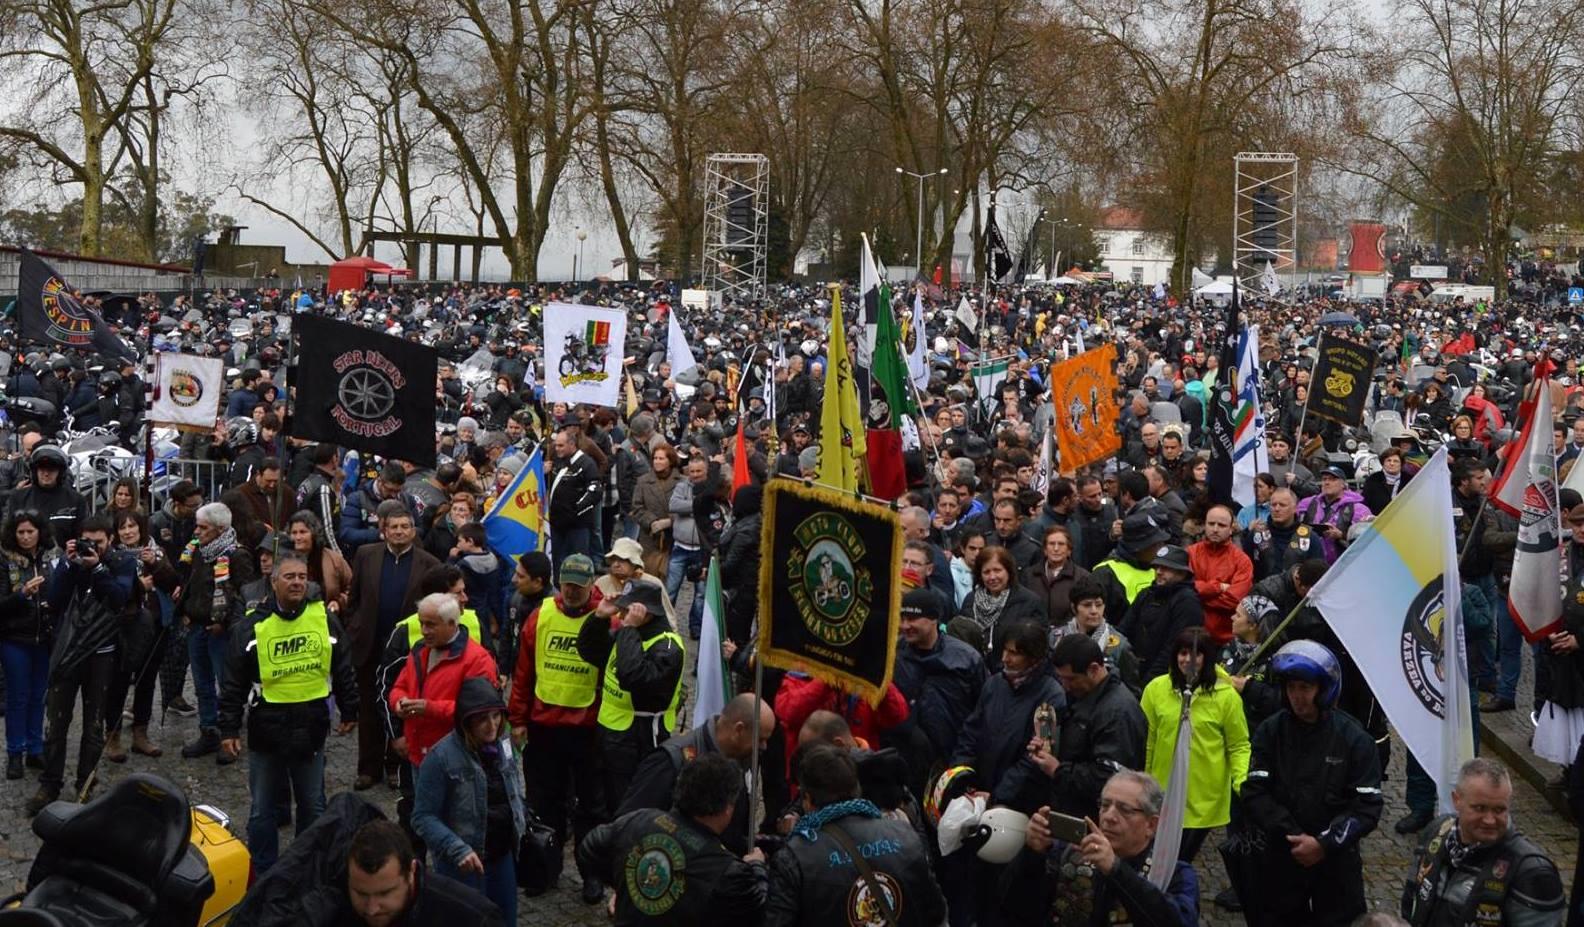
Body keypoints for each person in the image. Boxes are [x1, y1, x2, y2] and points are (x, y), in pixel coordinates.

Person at [217, 554, 359, 872]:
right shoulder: (252, 626)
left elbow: (343, 667)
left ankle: (305, 867)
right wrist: (227, 729)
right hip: (266, 728)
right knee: (262, 810)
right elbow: (233, 682)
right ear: (274, 582)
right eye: (289, 577)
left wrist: (350, 708)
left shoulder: (323, 618)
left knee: (312, 805)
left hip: (311, 726)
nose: (297, 582)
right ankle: (264, 871)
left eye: (302, 576)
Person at [1241, 639, 1382, 926]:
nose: (1297, 696)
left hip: (1337, 865)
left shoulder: (1355, 739)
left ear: (1323, 689)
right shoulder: (1270, 731)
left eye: (1304, 688)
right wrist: (1293, 836)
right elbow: (1254, 791)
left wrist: (1323, 844)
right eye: (1291, 688)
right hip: (1283, 857)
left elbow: (1367, 807)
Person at [506, 552, 609, 901]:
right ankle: (544, 869)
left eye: (579, 586)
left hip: (588, 727)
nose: (572, 592)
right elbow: (523, 673)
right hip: (544, 725)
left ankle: (591, 874)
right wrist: (516, 720)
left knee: (591, 808)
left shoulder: (605, 617)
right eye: (567, 585)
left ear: (591, 584)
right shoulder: (541, 616)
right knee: (543, 802)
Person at [764, 744, 947, 927]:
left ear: (808, 799)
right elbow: (935, 911)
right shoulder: (905, 834)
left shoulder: (794, 857)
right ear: (856, 789)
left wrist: (757, 872)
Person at [578, 751, 770, 924]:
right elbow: (759, 912)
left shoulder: (639, 819)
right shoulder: (727, 871)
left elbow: (588, 849)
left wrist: (627, 884)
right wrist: (757, 867)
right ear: (728, 808)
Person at [26, 515, 135, 814]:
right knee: (57, 721)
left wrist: (97, 568)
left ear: (109, 540)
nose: (93, 547)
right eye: (87, 541)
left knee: (94, 723)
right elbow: (56, 600)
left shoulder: (121, 562)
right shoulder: (69, 562)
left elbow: (118, 598)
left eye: (98, 542)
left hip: (102, 652)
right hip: (68, 650)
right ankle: (50, 784)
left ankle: (86, 784)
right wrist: (70, 564)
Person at [1000, 770, 1199, 927]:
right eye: (1105, 805)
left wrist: (1116, 870)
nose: (1109, 817)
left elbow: (1179, 921)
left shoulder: (1174, 873)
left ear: (1151, 825)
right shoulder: (1067, 852)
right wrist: (1031, 855)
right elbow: (1013, 906)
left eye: (1125, 809)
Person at [1400, 757, 1565, 927]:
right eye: (1480, 808)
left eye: (1499, 810)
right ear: (1457, 800)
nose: (1490, 820)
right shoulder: (1436, 831)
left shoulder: (1532, 872)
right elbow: (1411, 899)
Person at [412, 677, 525, 922]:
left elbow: (513, 789)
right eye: (482, 719)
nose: (492, 725)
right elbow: (422, 817)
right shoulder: (440, 758)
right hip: (463, 867)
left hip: (502, 857)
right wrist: (457, 849)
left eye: (496, 716)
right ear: (466, 721)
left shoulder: (504, 742)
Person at [345, 500, 440, 790]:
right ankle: (368, 768)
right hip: (370, 643)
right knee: (369, 707)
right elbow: (355, 597)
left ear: (413, 531)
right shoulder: (365, 555)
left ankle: (394, 765)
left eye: (404, 527)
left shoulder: (429, 563)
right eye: (393, 527)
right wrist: (354, 627)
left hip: (406, 651)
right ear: (383, 530)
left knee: (403, 707)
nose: (399, 532)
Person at [616, 692, 778, 856]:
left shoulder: (743, 760)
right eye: (760, 739)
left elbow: (733, 833)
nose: (764, 747)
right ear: (739, 730)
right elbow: (628, 824)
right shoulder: (673, 760)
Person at [1138, 628, 1249, 862]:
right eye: (1183, 652)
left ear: (1207, 658)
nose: (1188, 660)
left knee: (1179, 860)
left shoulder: (1227, 697)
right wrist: (1143, 782)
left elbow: (1238, 745)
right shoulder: (1155, 690)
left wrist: (1242, 783)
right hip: (1162, 793)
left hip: (1203, 799)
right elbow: (1148, 741)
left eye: (1196, 654)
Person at [577, 578, 685, 808]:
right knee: (599, 801)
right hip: (609, 734)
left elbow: (632, 676)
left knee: (627, 806)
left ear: (645, 613)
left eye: (627, 610)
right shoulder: (629, 635)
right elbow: (590, 651)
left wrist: (628, 629)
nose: (622, 615)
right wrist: (599, 618)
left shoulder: (667, 647)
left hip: (639, 741)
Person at [177, 502, 258, 763]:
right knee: (202, 684)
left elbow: (245, 595)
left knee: (227, 684)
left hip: (221, 632)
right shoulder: (198, 551)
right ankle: (208, 730)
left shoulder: (237, 555)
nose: (197, 532)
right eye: (197, 526)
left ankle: (228, 734)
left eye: (203, 527)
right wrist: (186, 609)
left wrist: (224, 622)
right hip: (197, 626)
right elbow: (192, 583)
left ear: (220, 529)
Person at [892, 587, 986, 783]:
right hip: (903, 761)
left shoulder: (965, 659)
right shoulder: (894, 656)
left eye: (912, 619)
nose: (905, 625)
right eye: (902, 618)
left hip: (951, 761)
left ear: (934, 619)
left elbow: (983, 712)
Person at [339, 819, 506, 926]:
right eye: (361, 894)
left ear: (411, 871)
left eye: (385, 893)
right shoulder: (336, 908)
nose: (371, 909)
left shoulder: (474, 919)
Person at [0, 510, 58, 779]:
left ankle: (35, 749)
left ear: (39, 533)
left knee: (39, 697)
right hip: (15, 639)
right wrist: (22, 594)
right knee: (18, 697)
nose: (25, 537)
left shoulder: (51, 557)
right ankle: (15, 752)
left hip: (44, 639)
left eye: (30, 532)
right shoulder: (4, 560)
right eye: (20, 532)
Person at [1119, 544, 1204, 679]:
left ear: (1181, 573)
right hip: (1133, 671)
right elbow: (1123, 629)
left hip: (1163, 679)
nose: (1158, 571)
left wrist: (1150, 681)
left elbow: (1175, 647)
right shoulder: (1146, 594)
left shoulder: (1187, 602)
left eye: (1165, 568)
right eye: (1157, 567)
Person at [954, 545, 1046, 670]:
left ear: (1009, 571)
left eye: (997, 570)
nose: (992, 577)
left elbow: (1037, 647)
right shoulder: (971, 600)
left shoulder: (1029, 602)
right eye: (986, 572)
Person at [1050, 575, 1142, 694]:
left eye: (1098, 605)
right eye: (1087, 605)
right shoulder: (1056, 639)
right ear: (1074, 607)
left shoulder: (1119, 645)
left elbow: (1132, 690)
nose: (1094, 611)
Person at [1186, 504, 1253, 643]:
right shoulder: (1190, 553)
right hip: (1191, 633)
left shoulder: (1242, 561)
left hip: (1225, 638)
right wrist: (1219, 587)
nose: (1215, 529)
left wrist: (1200, 595)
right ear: (1204, 525)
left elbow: (1234, 600)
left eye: (1221, 525)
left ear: (1230, 529)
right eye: (1211, 524)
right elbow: (1185, 589)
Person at [548, 426, 602, 578]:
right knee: (558, 562)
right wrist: (544, 473)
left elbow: (595, 491)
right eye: (555, 445)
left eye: (560, 446)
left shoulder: (586, 463)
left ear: (572, 445)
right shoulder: (558, 462)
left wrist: (575, 510)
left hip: (577, 526)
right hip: (557, 524)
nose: (556, 449)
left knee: (577, 564)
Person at [1023, 524, 1089, 626]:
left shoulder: (1082, 577)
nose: (1056, 548)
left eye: (1061, 544)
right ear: (1045, 549)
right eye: (1052, 544)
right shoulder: (1028, 575)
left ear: (1069, 550)